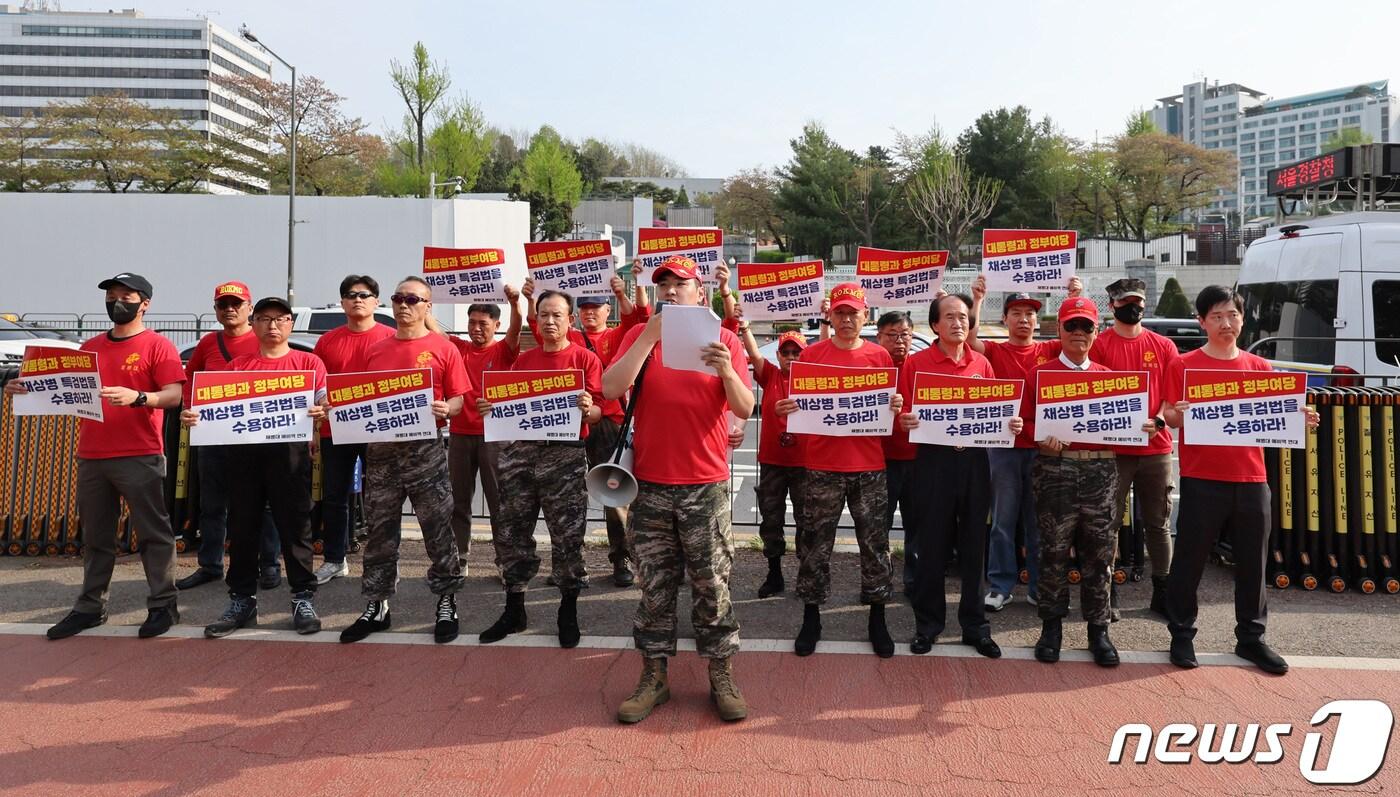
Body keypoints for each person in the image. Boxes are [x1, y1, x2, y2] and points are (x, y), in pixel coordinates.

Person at [602, 255, 753, 724]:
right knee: (654, 586)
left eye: (679, 284)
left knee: (712, 585)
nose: (669, 290)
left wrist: (727, 370)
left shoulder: (724, 339)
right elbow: (610, 387)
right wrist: (648, 337)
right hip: (650, 485)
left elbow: (745, 408)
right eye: (663, 283)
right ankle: (654, 675)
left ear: (699, 294)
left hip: (704, 486)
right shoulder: (640, 334)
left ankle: (721, 673)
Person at [6, 273, 186, 640]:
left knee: (153, 534)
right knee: (96, 537)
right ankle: (90, 607)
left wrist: (139, 397)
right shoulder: (89, 347)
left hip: (140, 454)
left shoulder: (158, 345)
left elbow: (173, 395)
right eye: (112, 295)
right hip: (91, 454)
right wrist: (23, 388)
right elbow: (60, 388)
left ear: (145, 304)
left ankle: (163, 605)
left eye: (126, 296)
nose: (117, 301)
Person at [1162, 285, 1320, 674]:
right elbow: (1168, 415)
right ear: (1201, 322)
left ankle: (1251, 638)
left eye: (1232, 315)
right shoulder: (1183, 366)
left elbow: (1279, 414)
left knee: (1252, 562)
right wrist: (1178, 413)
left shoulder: (1260, 368)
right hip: (1201, 477)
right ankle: (1181, 634)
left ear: (1243, 319)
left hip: (1252, 478)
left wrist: (1300, 417)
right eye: (1216, 316)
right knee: (1189, 560)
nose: (1226, 323)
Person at [183, 297, 329, 637]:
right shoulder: (238, 367)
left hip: (289, 454)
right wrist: (193, 416)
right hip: (244, 454)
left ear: (290, 323)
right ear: (254, 323)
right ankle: (242, 599)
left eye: (280, 319)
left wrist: (322, 409)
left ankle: (302, 597)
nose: (272, 325)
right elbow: (210, 407)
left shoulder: (308, 362)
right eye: (264, 318)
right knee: (243, 525)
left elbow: (324, 399)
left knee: (295, 526)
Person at [338, 277, 469, 645]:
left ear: (427, 306)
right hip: (382, 453)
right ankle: (377, 605)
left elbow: (460, 399)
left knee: (437, 528)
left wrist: (447, 408)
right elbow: (361, 398)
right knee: (380, 531)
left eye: (413, 299)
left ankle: (447, 600)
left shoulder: (443, 348)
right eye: (398, 298)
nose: (404, 305)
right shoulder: (376, 350)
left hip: (425, 451)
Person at [775, 283, 901, 659]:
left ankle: (877, 617)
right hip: (821, 467)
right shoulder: (812, 355)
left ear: (865, 316)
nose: (847, 319)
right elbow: (799, 405)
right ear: (830, 316)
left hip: (869, 467)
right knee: (815, 546)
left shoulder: (879, 356)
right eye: (840, 313)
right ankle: (811, 617)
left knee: (875, 546)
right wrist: (785, 409)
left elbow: (887, 409)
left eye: (853, 313)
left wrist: (894, 404)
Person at [475, 290, 604, 648]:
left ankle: (568, 610)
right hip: (521, 455)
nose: (549, 321)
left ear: (570, 320)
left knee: (567, 537)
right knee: (512, 533)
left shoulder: (584, 359)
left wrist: (587, 408)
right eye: (544, 314)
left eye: (557, 315)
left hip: (564, 455)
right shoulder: (524, 361)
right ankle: (514, 609)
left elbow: (599, 412)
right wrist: (490, 407)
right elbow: (507, 404)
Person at [897, 294, 1009, 659]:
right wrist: (905, 419)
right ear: (934, 325)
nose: (958, 322)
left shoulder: (982, 363)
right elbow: (904, 410)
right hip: (934, 461)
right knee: (932, 545)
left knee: (975, 546)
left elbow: (993, 412)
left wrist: (1008, 423)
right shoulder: (917, 364)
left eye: (963, 316)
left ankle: (975, 627)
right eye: (949, 317)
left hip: (975, 461)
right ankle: (928, 626)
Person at [524, 262, 650, 586]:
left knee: (614, 492)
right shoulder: (570, 335)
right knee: (565, 495)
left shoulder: (616, 335)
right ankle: (568, 562)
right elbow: (540, 325)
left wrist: (626, 290)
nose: (590, 312)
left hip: (609, 421)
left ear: (608, 310)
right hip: (566, 422)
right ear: (575, 315)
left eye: (596, 307)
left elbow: (638, 320)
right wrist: (529, 298)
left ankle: (621, 559)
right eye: (585, 308)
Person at [967, 276, 1084, 612]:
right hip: (1003, 448)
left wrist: (1073, 298)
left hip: (1042, 449)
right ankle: (1000, 585)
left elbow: (1077, 336)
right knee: (1002, 523)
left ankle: (1037, 585)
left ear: (1037, 319)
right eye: (1016, 313)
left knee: (1039, 523)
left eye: (1030, 313)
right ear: (1004, 319)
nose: (1023, 319)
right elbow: (971, 340)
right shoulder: (996, 350)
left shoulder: (1048, 350)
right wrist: (978, 299)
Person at [1020, 297, 1120, 666]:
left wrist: (1141, 425)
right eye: (1071, 325)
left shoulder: (1110, 380)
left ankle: (1099, 630)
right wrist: (1038, 437)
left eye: (1086, 326)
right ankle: (1051, 628)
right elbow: (1023, 422)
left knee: (1100, 554)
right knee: (1053, 551)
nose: (1079, 332)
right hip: (1055, 470)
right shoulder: (1039, 375)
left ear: (1097, 331)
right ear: (1059, 330)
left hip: (1100, 471)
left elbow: (1126, 424)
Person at [176, 281, 283, 592]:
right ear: (215, 310)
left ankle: (269, 564)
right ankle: (210, 565)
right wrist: (189, 407)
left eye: (236, 303)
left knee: (264, 504)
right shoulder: (208, 342)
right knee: (212, 504)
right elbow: (189, 379)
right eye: (223, 304)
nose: (230, 309)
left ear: (249, 308)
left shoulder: (263, 339)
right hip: (214, 437)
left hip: (256, 439)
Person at [1090, 277, 1181, 619]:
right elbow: (1091, 393)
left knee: (1158, 523)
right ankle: (1108, 592)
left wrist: (1159, 419)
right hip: (1112, 450)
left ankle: (1163, 590)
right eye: (1125, 302)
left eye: (1138, 302)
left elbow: (1171, 396)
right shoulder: (1100, 345)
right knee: (1108, 522)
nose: (1133, 307)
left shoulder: (1164, 346)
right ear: (1112, 305)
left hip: (1155, 449)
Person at [311, 276, 396, 584]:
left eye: (364, 294)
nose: (357, 299)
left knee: (382, 497)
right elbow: (316, 385)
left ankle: (384, 561)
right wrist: (314, 427)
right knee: (335, 496)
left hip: (378, 430)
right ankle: (335, 559)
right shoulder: (327, 341)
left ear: (376, 301)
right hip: (335, 431)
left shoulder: (392, 337)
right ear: (342, 302)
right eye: (350, 295)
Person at [446, 286, 522, 573]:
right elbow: (434, 332)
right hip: (460, 435)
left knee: (499, 501)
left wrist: (515, 304)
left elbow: (516, 330)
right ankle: (460, 557)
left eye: (483, 323)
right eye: (472, 322)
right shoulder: (460, 348)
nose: (476, 328)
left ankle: (504, 559)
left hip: (494, 436)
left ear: (496, 325)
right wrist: (427, 305)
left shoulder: (503, 350)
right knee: (458, 500)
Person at [736, 321, 806, 598]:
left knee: (807, 521)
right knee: (771, 519)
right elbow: (754, 355)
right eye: (785, 352)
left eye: (796, 352)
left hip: (804, 463)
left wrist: (825, 323)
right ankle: (774, 573)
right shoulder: (771, 375)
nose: (791, 357)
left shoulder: (814, 379)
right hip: (773, 462)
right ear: (778, 355)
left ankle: (806, 575)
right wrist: (745, 329)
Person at [874, 310, 919, 595]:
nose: (899, 341)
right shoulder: (870, 367)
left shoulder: (922, 367)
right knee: (880, 526)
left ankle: (914, 582)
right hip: (881, 461)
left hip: (918, 461)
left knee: (917, 526)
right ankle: (880, 580)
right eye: (892, 335)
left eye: (904, 335)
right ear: (879, 337)